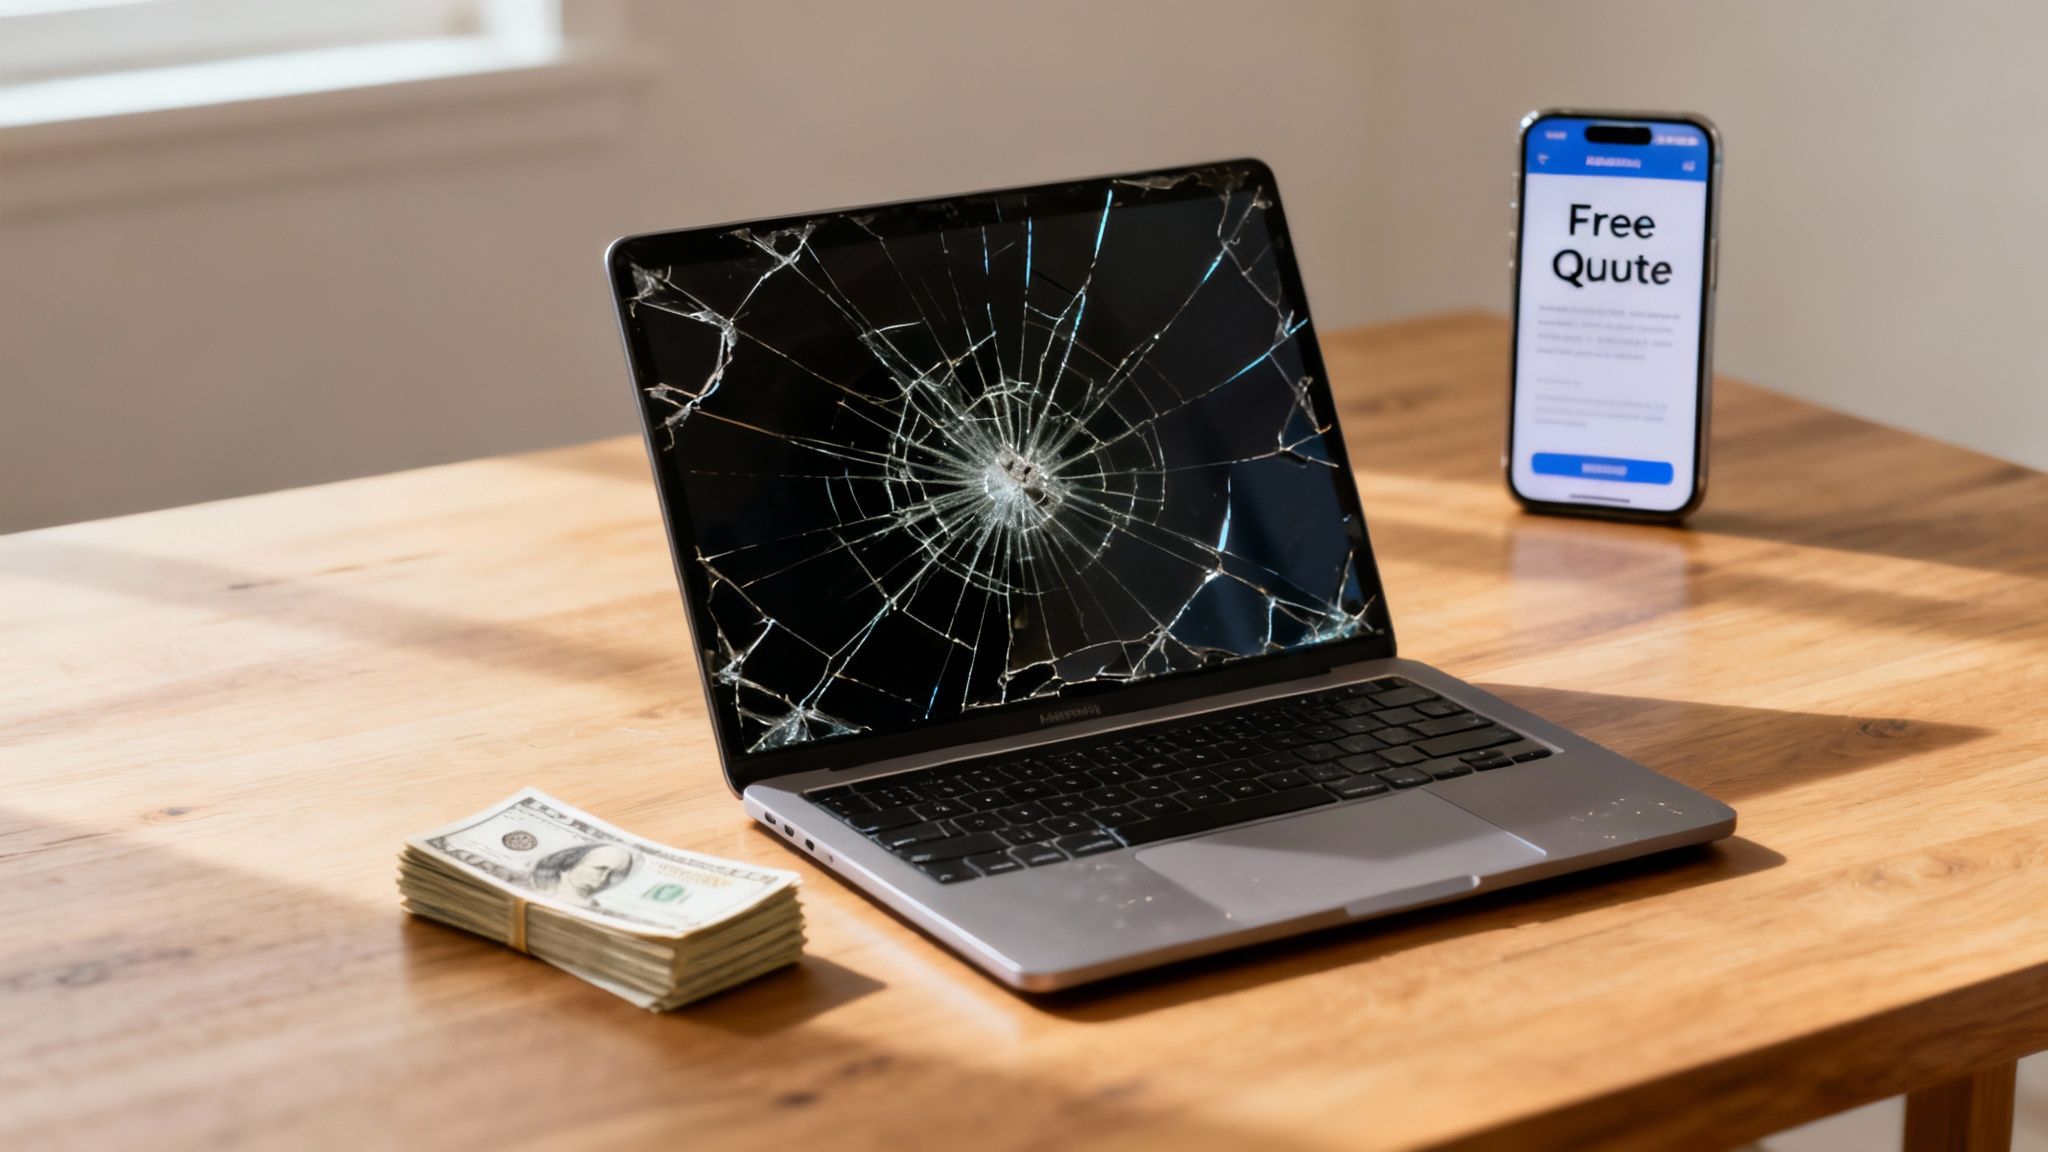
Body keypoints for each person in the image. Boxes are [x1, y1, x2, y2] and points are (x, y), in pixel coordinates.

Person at [529, 841, 635, 905]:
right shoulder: (534, 889)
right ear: (571, 862)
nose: (603, 879)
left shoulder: (596, 907)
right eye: (599, 869)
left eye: (613, 874)